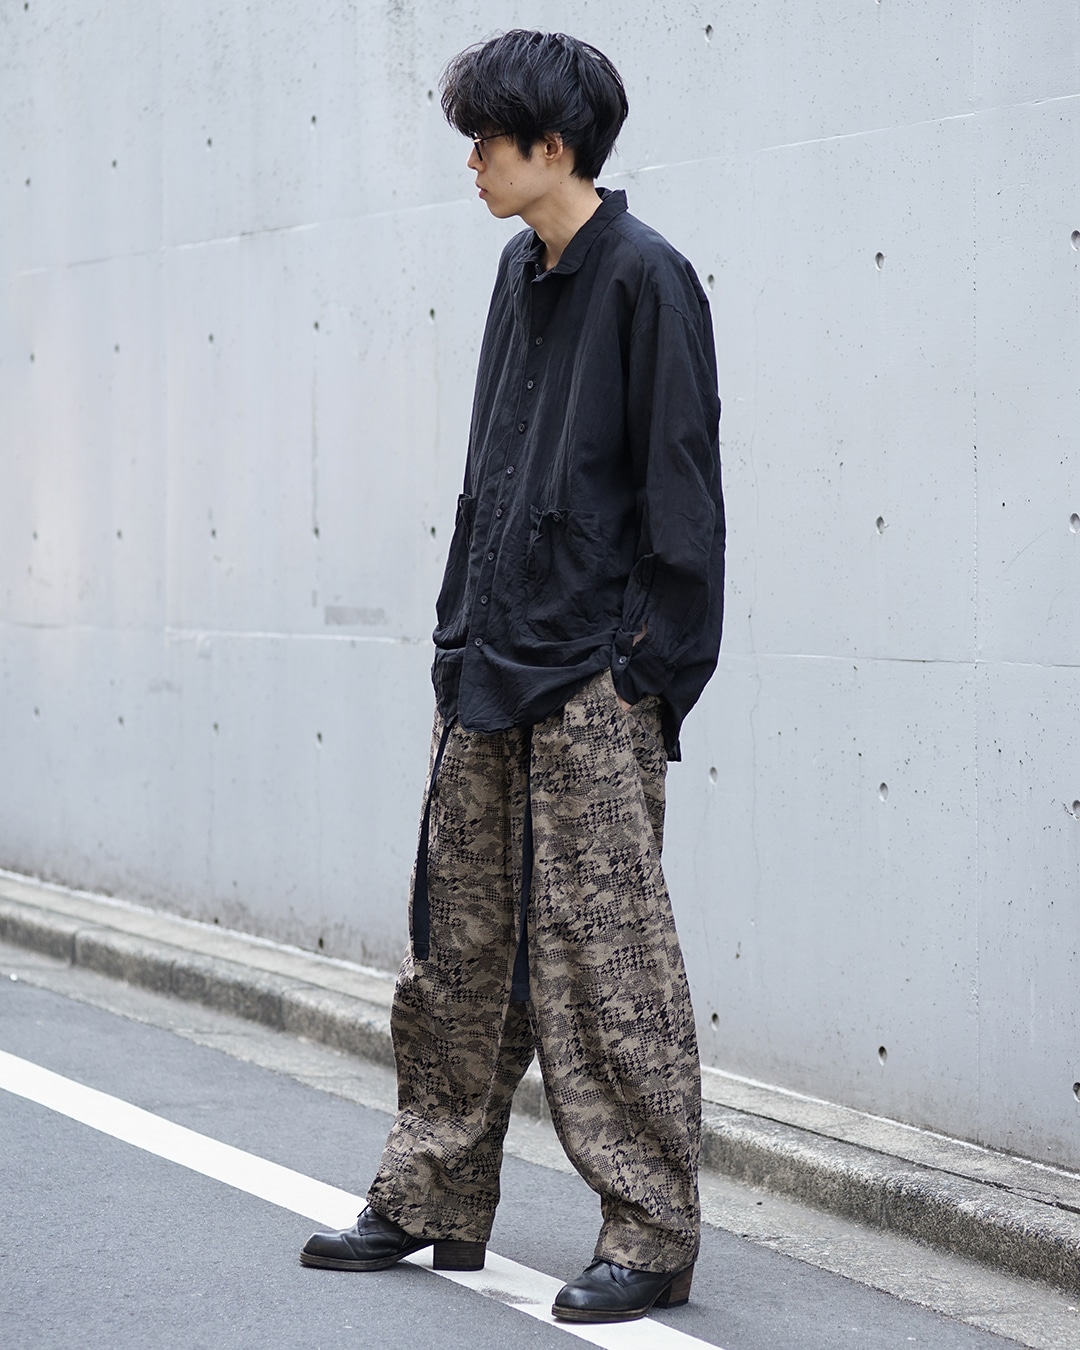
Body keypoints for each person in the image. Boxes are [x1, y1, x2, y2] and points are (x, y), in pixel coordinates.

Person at [300, 29, 725, 1324]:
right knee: (457, 946)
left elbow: (685, 503)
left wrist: (640, 676)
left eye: (487, 139)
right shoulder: (514, 270)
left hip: (594, 677)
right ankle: (431, 1193)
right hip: (487, 664)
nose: (472, 160)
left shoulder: (649, 279)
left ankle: (650, 1230)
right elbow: (489, 472)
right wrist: (455, 639)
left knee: (607, 963)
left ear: (554, 145)